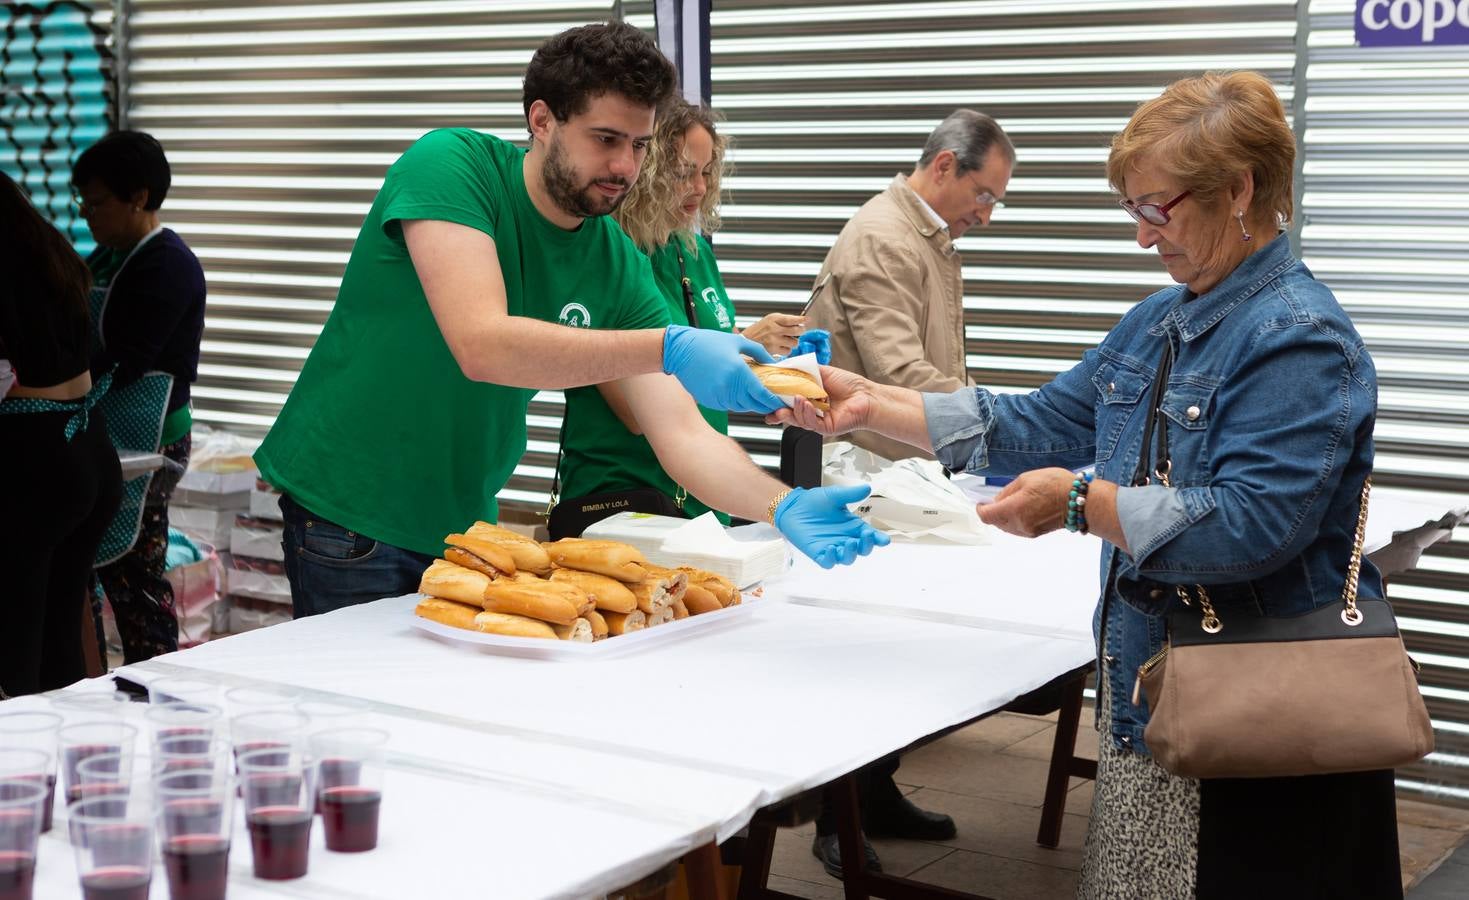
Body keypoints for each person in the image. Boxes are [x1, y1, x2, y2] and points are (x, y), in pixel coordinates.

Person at [770, 71, 1400, 899]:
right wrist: (870, 404)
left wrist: (1078, 504)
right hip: (1157, 703)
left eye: (1155, 210)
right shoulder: (1161, 320)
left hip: (1255, 721)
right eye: (1131, 211)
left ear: (1239, 189)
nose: (1143, 238)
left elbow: (1250, 527)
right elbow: (1029, 421)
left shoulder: (1297, 339)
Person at [254, 22, 887, 619]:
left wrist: (780, 503)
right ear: (542, 121)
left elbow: (683, 437)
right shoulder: (452, 167)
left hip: (462, 520)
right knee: (357, 722)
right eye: (606, 139)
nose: (625, 168)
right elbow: (483, 345)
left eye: (638, 145)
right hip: (349, 512)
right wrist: (669, 345)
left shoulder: (613, 255)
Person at [558, 100, 811, 526]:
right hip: (626, 501)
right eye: (682, 173)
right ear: (646, 171)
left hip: (703, 505)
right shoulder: (606, 258)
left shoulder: (691, 252)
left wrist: (782, 371)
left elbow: (704, 358)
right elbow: (635, 411)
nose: (698, 186)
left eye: (706, 171)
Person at [806, 110, 1013, 463]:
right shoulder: (887, 239)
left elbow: (940, 369)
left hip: (895, 473)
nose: (985, 217)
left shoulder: (921, 239)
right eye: (983, 197)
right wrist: (1005, 423)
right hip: (869, 477)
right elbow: (899, 374)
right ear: (945, 165)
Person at [72, 130, 207, 663]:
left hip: (150, 444)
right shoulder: (106, 258)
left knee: (134, 577)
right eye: (82, 201)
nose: (87, 214)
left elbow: (127, 359)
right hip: (109, 433)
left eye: (98, 202)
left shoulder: (167, 265)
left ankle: (154, 683)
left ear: (140, 197)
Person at [0, 172, 123, 697]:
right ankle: (64, 767)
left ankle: (22, 771)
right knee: (58, 640)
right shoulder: (49, 255)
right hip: (88, 447)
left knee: (16, 648)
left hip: (35, 458)